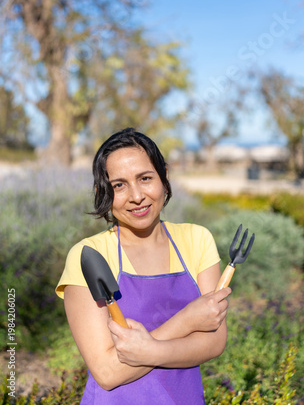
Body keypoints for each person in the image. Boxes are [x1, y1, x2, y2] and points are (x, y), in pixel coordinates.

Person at [56, 128, 231, 405]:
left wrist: (148, 350)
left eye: (145, 178)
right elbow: (107, 371)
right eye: (119, 185)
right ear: (104, 192)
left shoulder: (197, 240)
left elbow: (214, 342)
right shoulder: (90, 254)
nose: (136, 196)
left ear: (164, 178)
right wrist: (186, 321)